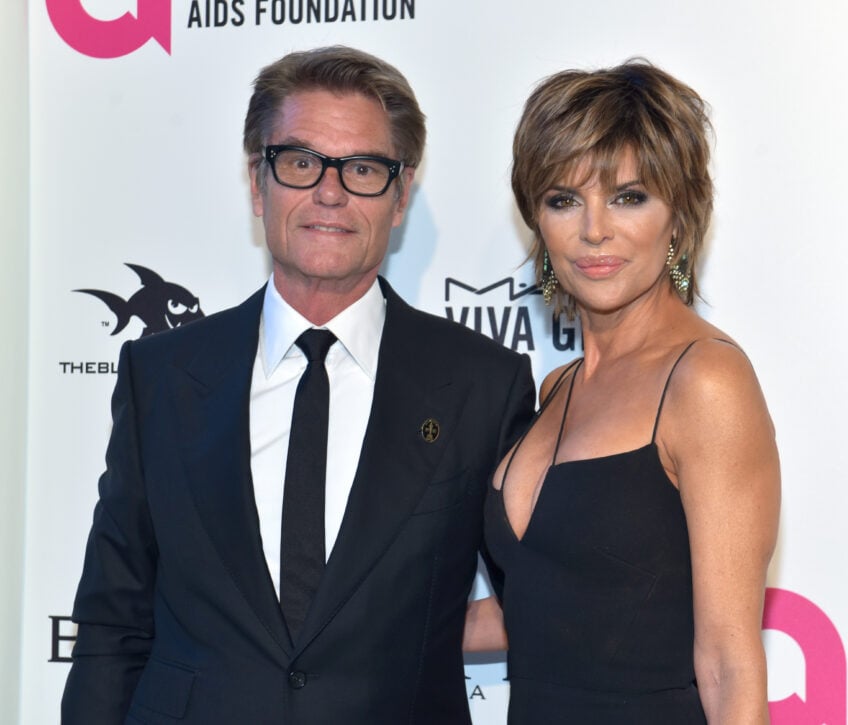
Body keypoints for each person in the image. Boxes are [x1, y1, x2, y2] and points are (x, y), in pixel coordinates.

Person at [61, 45, 535, 725]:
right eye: (301, 162)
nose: (330, 192)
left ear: (400, 195)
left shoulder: (483, 385)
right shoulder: (160, 375)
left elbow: (544, 605)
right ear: (259, 184)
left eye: (363, 168)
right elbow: (113, 625)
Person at [466, 60, 781, 723]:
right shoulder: (557, 387)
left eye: (628, 197)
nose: (594, 230)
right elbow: (549, 605)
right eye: (563, 199)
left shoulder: (706, 382)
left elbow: (728, 662)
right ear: (538, 222)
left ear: (680, 216)